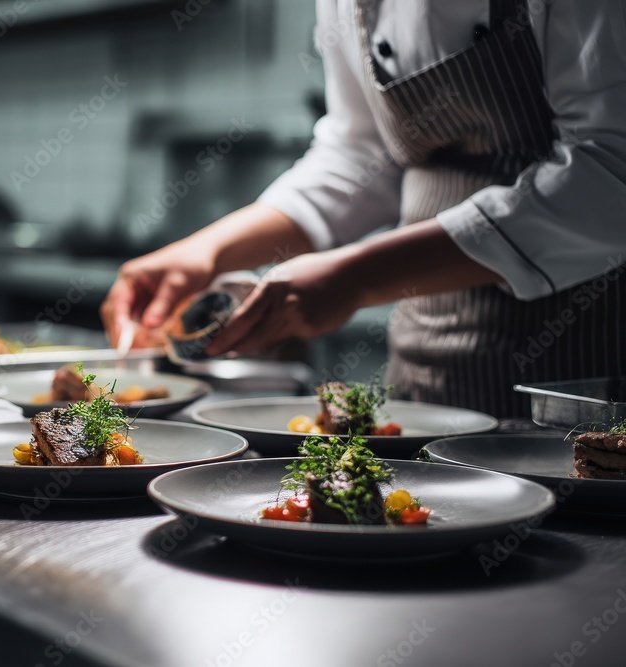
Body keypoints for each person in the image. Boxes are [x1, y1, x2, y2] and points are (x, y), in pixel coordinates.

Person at [101, 0, 626, 419]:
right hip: (428, 353)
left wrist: (358, 276)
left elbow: (609, 172)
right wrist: (207, 251)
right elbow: (361, 156)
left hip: (582, 356)